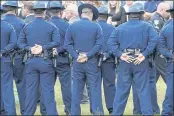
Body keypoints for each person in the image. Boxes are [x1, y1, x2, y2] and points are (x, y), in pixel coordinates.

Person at [108, 3, 158, 115]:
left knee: (121, 91)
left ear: (129, 15)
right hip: (140, 60)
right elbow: (155, 40)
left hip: (125, 60)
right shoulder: (147, 26)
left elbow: (110, 43)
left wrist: (120, 54)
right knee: (143, 90)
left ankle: (116, 113)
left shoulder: (120, 27)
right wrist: (144, 54)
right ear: (140, 14)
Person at [17, 1, 60, 115]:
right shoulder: (51, 26)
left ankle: (28, 113)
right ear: (45, 12)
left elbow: (20, 43)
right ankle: (51, 113)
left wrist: (30, 48)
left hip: (31, 61)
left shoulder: (27, 26)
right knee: (48, 90)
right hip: (45, 61)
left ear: (34, 12)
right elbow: (57, 42)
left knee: (31, 90)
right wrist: (43, 47)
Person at [64, 3, 104, 115]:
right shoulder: (96, 26)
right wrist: (88, 55)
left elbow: (67, 44)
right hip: (91, 61)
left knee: (77, 89)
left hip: (78, 61)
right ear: (90, 15)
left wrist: (77, 56)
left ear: (81, 14)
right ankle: (97, 112)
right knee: (95, 89)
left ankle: (74, 113)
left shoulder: (72, 26)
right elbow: (99, 44)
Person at [47, 1, 72, 115]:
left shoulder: (46, 24)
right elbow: (69, 43)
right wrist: (60, 50)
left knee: (48, 87)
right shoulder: (66, 25)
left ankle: (48, 110)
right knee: (66, 86)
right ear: (61, 11)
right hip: (63, 58)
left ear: (48, 11)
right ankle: (69, 110)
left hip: (48, 59)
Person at [2, 1, 26, 115]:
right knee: (21, 83)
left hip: (4, 56)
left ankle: (3, 110)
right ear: (16, 9)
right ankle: (25, 110)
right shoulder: (22, 23)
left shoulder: (4, 22)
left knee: (4, 84)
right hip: (18, 56)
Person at [97, 6, 116, 114]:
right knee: (110, 84)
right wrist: (107, 54)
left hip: (94, 59)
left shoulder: (93, 27)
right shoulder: (112, 28)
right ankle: (111, 108)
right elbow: (115, 44)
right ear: (106, 16)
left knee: (95, 85)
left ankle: (97, 108)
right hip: (109, 60)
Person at [0, 5, 17, 115]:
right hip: (5, 59)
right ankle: (10, 112)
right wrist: (3, 51)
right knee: (7, 86)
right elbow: (13, 43)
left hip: (4, 58)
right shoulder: (8, 27)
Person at [159, 5, 173, 115]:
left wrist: (171, 55)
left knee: (171, 88)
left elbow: (160, 48)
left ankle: (166, 112)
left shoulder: (165, 28)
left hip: (171, 61)